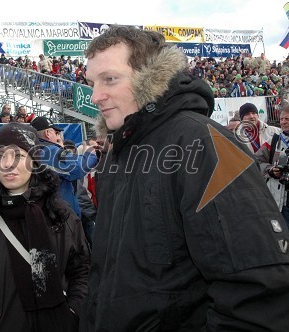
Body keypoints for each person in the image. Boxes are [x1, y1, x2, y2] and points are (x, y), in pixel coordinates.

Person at [82, 25, 289, 331]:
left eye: (109, 79)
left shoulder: (202, 141)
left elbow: (258, 294)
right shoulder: (118, 152)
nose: (96, 96)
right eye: (91, 83)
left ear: (149, 76)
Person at [0, 123, 90, 332]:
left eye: (17, 155)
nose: (7, 164)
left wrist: (72, 312)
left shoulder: (62, 215)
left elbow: (83, 271)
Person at [30, 116, 99, 218]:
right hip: (59, 217)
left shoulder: (34, 151)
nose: (59, 137)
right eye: (56, 133)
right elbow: (77, 168)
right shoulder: (47, 151)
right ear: (48, 133)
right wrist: (93, 154)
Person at [255, 105, 289, 227]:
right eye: (282, 119)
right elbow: (257, 161)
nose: (284, 122)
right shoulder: (273, 140)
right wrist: (270, 170)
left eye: (287, 119)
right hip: (280, 200)